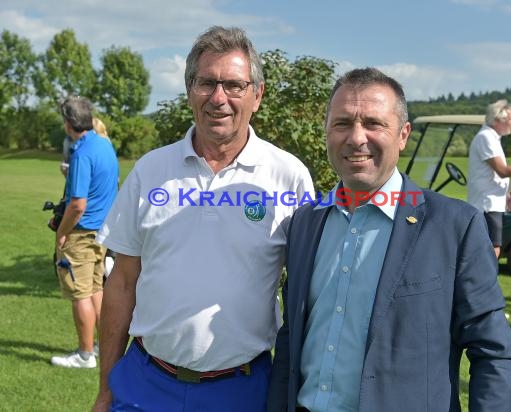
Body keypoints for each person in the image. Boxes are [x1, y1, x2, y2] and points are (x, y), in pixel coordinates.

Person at [267, 68, 511, 412]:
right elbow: (291, 339)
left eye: (373, 123)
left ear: (403, 135)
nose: (356, 137)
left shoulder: (454, 226)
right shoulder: (305, 223)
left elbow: (492, 351)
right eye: (342, 123)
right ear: (327, 131)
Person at [92, 26, 314, 412]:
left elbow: (308, 293)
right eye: (205, 83)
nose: (218, 98)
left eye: (233, 85)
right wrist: (106, 388)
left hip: (242, 390)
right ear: (188, 91)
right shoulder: (151, 170)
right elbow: (122, 282)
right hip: (145, 382)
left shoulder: (288, 176)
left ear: (257, 95)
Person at [50, 96, 119, 368]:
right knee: (95, 289)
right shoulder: (104, 145)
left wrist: (61, 233)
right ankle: (102, 347)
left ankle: (85, 354)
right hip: (102, 231)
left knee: (79, 294)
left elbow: (77, 204)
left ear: (68, 123)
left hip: (81, 231)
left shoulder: (81, 152)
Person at [467, 99, 511, 258]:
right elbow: (502, 171)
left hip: (492, 201)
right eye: (510, 119)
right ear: (498, 120)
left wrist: (505, 195)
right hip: (487, 204)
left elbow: (490, 175)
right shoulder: (486, 137)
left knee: (491, 246)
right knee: (494, 247)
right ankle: (488, 280)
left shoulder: (491, 138)